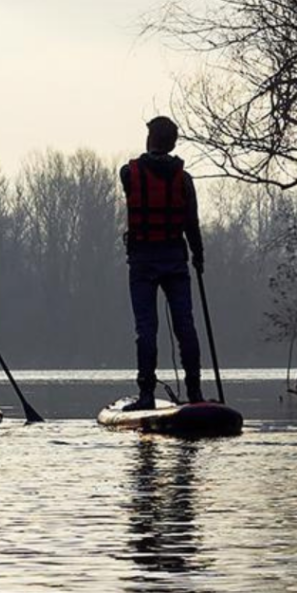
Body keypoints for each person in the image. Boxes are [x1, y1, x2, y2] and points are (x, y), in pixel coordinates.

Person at [121, 116, 205, 411]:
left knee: (146, 329)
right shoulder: (184, 179)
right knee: (186, 326)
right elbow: (191, 223)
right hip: (175, 260)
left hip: (143, 260)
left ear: (150, 139)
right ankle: (194, 392)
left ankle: (146, 394)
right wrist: (199, 256)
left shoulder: (128, 173)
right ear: (172, 143)